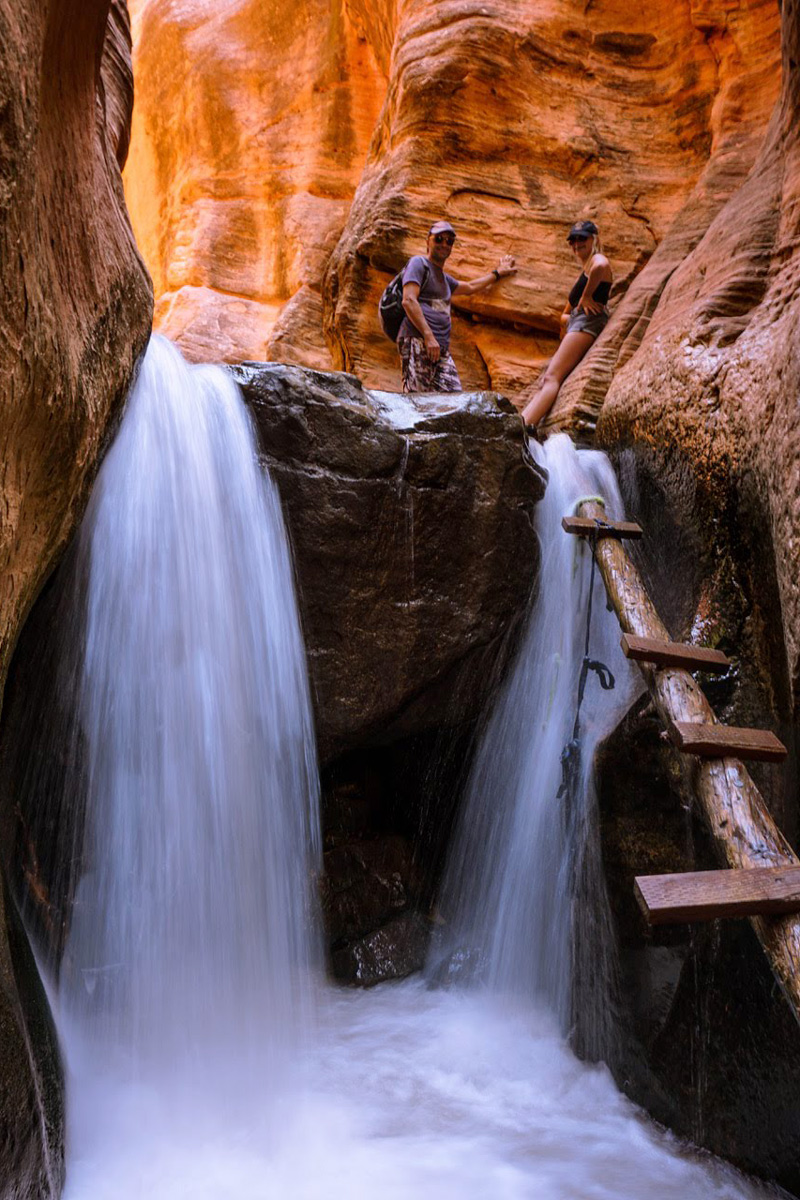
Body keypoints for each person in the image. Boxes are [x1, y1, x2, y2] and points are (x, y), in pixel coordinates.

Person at [397, 220, 516, 394]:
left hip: (439, 347)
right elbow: (408, 300)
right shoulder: (418, 264)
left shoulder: (445, 279)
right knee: (417, 400)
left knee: (454, 399)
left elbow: (470, 287)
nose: (444, 244)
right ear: (427, 241)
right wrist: (428, 336)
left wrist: (498, 273)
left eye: (449, 241)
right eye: (439, 239)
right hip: (416, 339)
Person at [521, 219, 612, 435]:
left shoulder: (596, 260)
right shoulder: (585, 269)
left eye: (582, 238)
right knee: (548, 378)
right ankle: (524, 423)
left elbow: (602, 266)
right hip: (578, 323)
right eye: (572, 240)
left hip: (588, 323)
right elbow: (565, 312)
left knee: (552, 378)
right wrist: (567, 320)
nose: (576, 244)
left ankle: (522, 428)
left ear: (594, 239)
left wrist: (588, 295)